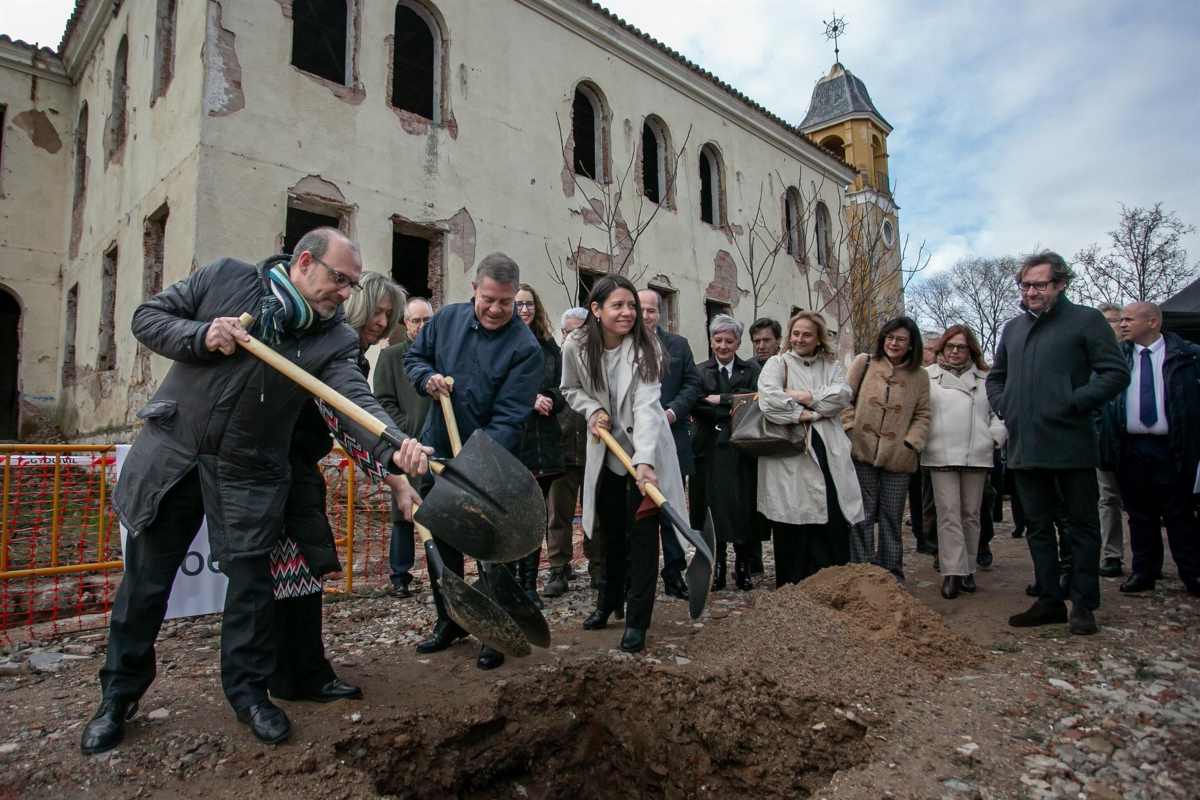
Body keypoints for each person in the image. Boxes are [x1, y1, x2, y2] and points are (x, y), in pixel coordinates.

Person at [81, 228, 429, 754]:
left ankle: (248, 695)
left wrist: (396, 445)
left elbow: (353, 400)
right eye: (341, 280)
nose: (345, 294)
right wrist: (203, 337)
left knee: (250, 590)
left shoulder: (331, 339)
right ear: (305, 262)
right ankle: (118, 698)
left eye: (352, 284)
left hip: (247, 475)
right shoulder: (227, 279)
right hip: (175, 458)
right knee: (146, 587)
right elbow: (146, 319)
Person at [269, 271, 405, 704]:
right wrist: (393, 472)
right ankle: (301, 676)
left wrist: (391, 476)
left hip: (295, 467)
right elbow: (346, 424)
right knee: (298, 570)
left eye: (390, 314)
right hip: (280, 467)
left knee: (297, 571)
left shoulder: (354, 356)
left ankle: (290, 672)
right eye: (377, 310)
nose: (382, 322)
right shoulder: (334, 349)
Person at [405, 253, 542, 670]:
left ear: (515, 297)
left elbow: (509, 417)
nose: (497, 309)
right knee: (442, 546)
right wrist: (425, 378)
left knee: (488, 549)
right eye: (489, 299)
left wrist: (472, 464)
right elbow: (415, 358)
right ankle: (450, 618)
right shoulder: (445, 321)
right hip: (437, 450)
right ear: (474, 290)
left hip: (489, 465)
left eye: (505, 301)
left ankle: (492, 632)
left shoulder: (525, 348)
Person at [986, 250, 1129, 635]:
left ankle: (1083, 603)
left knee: (1081, 526)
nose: (1031, 292)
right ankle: (1049, 599)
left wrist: (1073, 402)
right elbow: (995, 377)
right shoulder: (1013, 329)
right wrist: (1006, 407)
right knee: (1037, 525)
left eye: (1040, 285)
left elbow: (1114, 373)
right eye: (1025, 284)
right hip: (1024, 446)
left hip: (1071, 443)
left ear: (1061, 284)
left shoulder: (1085, 320)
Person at [562, 276, 687, 653]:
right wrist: (592, 409)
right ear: (596, 311)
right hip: (606, 456)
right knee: (609, 537)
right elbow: (570, 389)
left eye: (631, 305)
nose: (628, 313)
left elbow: (648, 409)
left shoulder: (647, 348)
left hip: (643, 457)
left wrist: (646, 462)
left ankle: (637, 621)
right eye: (618, 305)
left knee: (643, 540)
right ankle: (608, 601)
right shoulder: (577, 345)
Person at [758, 311, 863, 585]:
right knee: (792, 519)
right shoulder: (776, 364)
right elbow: (770, 401)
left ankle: (829, 584)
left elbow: (841, 397)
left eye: (807, 334)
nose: (800, 339)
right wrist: (808, 413)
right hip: (790, 453)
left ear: (818, 338)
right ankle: (793, 588)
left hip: (828, 449)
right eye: (796, 333)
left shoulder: (831, 365)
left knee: (830, 515)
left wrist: (803, 396)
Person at [1106, 302, 1200, 595]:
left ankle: (1192, 573)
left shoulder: (1187, 356)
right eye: (1121, 319)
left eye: (1129, 319)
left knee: (1179, 513)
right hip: (1131, 446)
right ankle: (1144, 571)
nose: (1122, 324)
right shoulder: (1117, 359)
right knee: (1139, 513)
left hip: (1173, 446)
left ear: (1153, 322)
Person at [922, 325, 1006, 599]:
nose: (956, 352)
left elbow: (999, 412)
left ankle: (969, 567)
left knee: (971, 513)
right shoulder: (927, 377)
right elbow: (920, 412)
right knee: (948, 514)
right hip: (940, 452)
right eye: (950, 347)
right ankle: (951, 571)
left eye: (961, 347)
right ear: (942, 348)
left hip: (976, 453)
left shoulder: (985, 378)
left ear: (971, 350)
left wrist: (994, 437)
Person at [843, 317, 931, 581]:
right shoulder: (864, 363)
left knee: (892, 516)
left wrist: (911, 444)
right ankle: (862, 572)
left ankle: (891, 573)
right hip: (862, 452)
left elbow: (923, 414)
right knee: (862, 516)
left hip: (899, 458)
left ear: (911, 344)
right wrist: (850, 430)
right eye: (890, 337)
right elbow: (844, 399)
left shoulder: (920, 375)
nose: (894, 343)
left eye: (901, 339)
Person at [638, 288, 701, 600]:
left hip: (672, 441)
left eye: (652, 310)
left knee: (672, 510)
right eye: (642, 310)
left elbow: (693, 384)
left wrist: (672, 412)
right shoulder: (623, 346)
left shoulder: (678, 345)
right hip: (635, 447)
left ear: (660, 313)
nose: (647, 316)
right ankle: (638, 578)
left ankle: (674, 573)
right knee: (639, 516)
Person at [691, 315, 761, 591]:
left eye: (729, 341)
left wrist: (720, 399)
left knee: (742, 506)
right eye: (718, 340)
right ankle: (717, 564)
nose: (723, 346)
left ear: (738, 343)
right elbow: (696, 404)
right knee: (712, 506)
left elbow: (754, 400)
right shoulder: (699, 371)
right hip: (708, 447)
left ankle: (742, 565)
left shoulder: (750, 369)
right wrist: (731, 406)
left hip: (740, 447)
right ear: (711, 341)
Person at [374, 296, 435, 597]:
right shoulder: (391, 357)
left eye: (427, 320)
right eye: (416, 321)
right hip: (406, 446)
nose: (422, 326)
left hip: (437, 448)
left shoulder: (442, 355)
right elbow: (382, 401)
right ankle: (400, 574)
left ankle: (441, 571)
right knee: (404, 512)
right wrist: (407, 432)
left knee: (438, 508)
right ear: (406, 324)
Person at [512, 283, 566, 608]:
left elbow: (564, 389)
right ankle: (513, 583)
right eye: (518, 305)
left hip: (544, 443)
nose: (524, 310)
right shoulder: (502, 344)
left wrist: (550, 399)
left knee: (536, 514)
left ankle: (529, 584)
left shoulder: (550, 348)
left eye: (529, 304)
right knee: (515, 515)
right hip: (514, 442)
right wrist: (527, 400)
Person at [545, 308, 594, 597]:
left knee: (595, 515)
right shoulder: (553, 363)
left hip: (593, 450)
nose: (576, 338)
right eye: (570, 332)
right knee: (557, 515)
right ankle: (558, 568)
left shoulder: (597, 364)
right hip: (561, 452)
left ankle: (597, 566)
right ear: (562, 334)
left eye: (582, 332)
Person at [747, 317, 783, 574]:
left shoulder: (786, 367)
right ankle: (753, 559)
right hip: (752, 445)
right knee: (751, 503)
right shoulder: (747, 369)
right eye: (756, 341)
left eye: (766, 340)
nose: (761, 345)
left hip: (781, 445)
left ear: (778, 341)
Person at [1095, 302, 1127, 578]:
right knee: (1108, 499)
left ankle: (1146, 559)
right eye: (1104, 321)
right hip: (1104, 437)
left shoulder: (1136, 356)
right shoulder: (1091, 359)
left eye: (1115, 321)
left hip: (1140, 439)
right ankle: (1112, 554)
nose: (1112, 326)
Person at [911, 330, 943, 557]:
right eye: (926, 349)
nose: (928, 354)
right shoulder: (915, 375)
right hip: (915, 444)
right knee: (920, 495)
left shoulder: (942, 375)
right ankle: (924, 537)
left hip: (941, 443)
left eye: (933, 349)